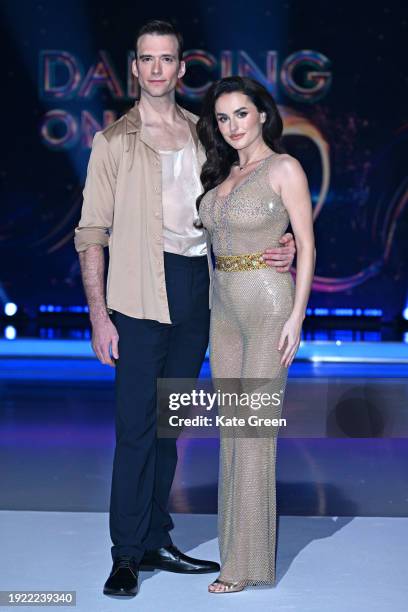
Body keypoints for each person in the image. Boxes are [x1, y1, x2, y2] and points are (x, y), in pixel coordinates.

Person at [74, 21, 296, 598]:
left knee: (171, 425)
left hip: (200, 287)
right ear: (135, 68)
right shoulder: (112, 142)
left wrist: (284, 240)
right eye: (145, 58)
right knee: (136, 429)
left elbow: (242, 203)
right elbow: (91, 231)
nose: (155, 69)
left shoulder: (208, 137)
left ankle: (155, 539)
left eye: (165, 59)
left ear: (179, 68)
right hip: (139, 290)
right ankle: (126, 554)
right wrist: (99, 314)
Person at [197, 76, 315, 593]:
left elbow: (306, 246)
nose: (232, 126)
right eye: (223, 118)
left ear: (262, 114)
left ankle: (244, 566)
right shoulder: (222, 172)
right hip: (221, 309)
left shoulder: (284, 167)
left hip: (269, 305)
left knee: (253, 431)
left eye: (241, 114)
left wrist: (297, 317)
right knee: (232, 431)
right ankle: (236, 552)